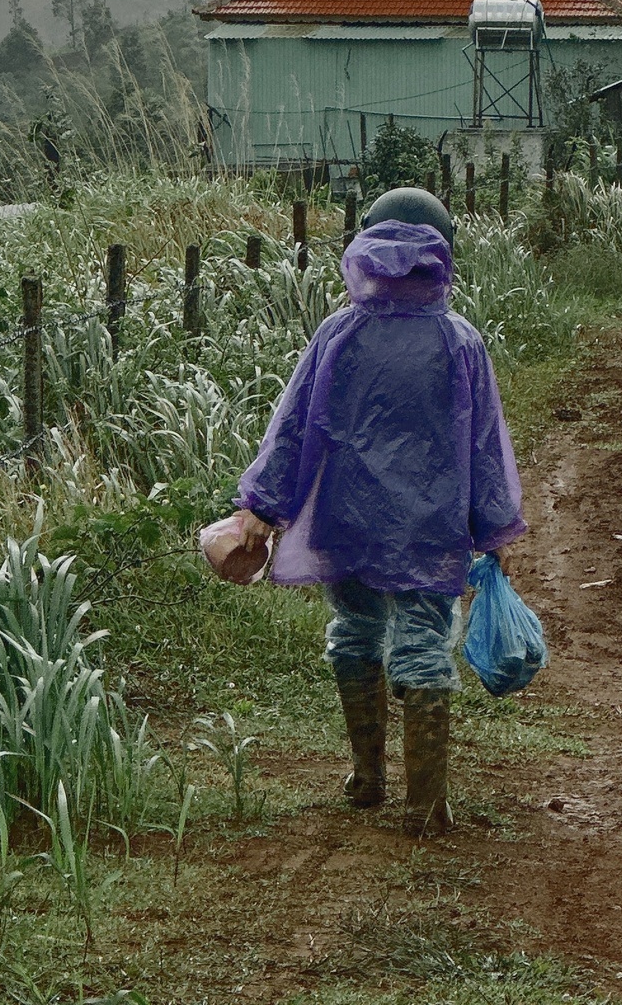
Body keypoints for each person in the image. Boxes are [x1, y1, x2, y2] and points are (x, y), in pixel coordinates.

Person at [228, 185, 526, 837]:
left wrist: (263, 507)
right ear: (443, 253)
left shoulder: (340, 332)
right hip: (429, 525)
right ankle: (425, 807)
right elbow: (482, 444)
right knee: (422, 645)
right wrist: (493, 526)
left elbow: (294, 427)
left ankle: (366, 778)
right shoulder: (460, 341)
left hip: (349, 517)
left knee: (354, 633)